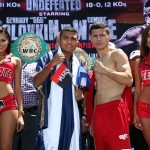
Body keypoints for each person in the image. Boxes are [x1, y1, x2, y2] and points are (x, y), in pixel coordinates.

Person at [34, 26, 87, 150]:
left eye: (73, 39)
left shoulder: (79, 62)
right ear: (59, 40)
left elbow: (82, 90)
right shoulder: (47, 57)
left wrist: (81, 96)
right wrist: (51, 64)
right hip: (51, 117)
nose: (69, 42)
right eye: (65, 38)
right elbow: (36, 82)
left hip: (72, 118)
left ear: (77, 43)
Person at [89, 22, 133, 149]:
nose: (99, 39)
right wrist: (93, 119)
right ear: (91, 39)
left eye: (102, 35)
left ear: (109, 36)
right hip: (99, 114)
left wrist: (105, 71)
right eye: (95, 36)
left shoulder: (117, 54)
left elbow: (129, 79)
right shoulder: (97, 61)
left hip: (115, 109)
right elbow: (98, 92)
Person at [0, 26, 24, 150]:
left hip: (8, 105)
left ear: (8, 41)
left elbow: (18, 89)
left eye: (3, 40)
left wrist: (20, 113)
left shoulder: (15, 61)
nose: (0, 44)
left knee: (5, 147)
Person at [12, 62, 39, 150]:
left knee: (30, 146)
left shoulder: (37, 65)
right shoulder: (8, 64)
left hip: (31, 113)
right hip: (10, 112)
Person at [133, 25, 150, 149]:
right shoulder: (140, 61)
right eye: (148, 36)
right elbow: (138, 88)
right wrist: (135, 113)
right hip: (144, 108)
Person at [129, 50, 148, 150]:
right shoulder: (126, 79)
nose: (136, 61)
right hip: (139, 114)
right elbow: (137, 89)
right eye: (133, 59)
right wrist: (135, 113)